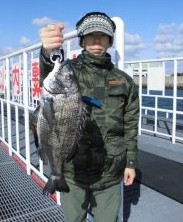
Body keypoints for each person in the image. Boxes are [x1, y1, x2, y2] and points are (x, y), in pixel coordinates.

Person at [39, 12, 139, 222]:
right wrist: (48, 52)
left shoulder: (125, 81)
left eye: (102, 36)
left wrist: (130, 162)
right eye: (90, 35)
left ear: (109, 41)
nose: (96, 40)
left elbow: (130, 124)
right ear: (82, 40)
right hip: (72, 169)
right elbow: (51, 73)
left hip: (111, 171)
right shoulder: (68, 71)